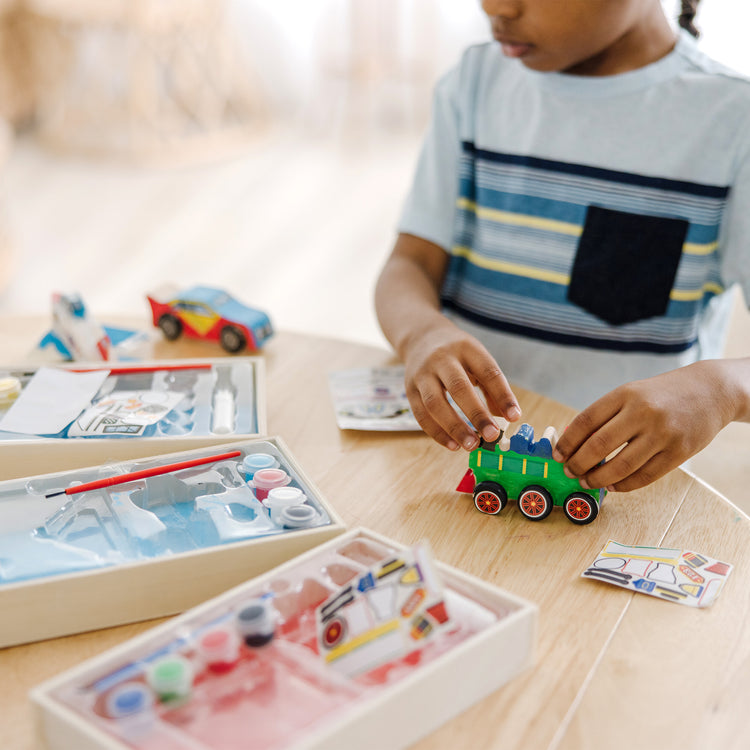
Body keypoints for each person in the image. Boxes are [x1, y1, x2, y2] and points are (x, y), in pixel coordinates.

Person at [375, 0, 750, 493]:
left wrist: (723, 390)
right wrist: (421, 333)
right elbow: (409, 263)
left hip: (618, 487)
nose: (495, 6)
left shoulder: (733, 122)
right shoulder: (473, 83)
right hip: (451, 467)